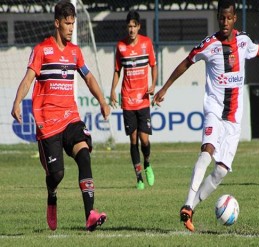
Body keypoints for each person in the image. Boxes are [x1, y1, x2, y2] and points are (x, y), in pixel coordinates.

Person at [153, 0, 259, 232]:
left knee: (221, 171)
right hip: (214, 110)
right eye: (221, 18)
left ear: (235, 18)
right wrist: (165, 88)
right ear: (218, 18)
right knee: (207, 152)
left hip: (234, 118)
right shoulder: (209, 45)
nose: (224, 22)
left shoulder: (243, 41)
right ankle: (187, 203)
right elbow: (186, 62)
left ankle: (190, 210)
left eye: (229, 18)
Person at [11, 0, 110, 232]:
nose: (70, 28)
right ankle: (52, 194)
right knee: (57, 174)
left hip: (70, 119)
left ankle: (90, 215)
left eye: (73, 24)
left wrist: (102, 101)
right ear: (57, 23)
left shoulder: (75, 52)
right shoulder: (41, 51)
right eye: (67, 24)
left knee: (84, 155)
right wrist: (17, 102)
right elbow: (28, 79)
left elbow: (89, 77)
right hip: (47, 124)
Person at [110, 10, 157, 190]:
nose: (131, 29)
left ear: (139, 27)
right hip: (128, 100)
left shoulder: (147, 43)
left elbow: (153, 65)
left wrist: (153, 84)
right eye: (128, 26)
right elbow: (117, 71)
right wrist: (113, 90)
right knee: (133, 140)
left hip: (143, 100)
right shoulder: (121, 46)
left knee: (144, 140)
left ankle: (147, 163)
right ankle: (138, 178)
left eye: (133, 26)